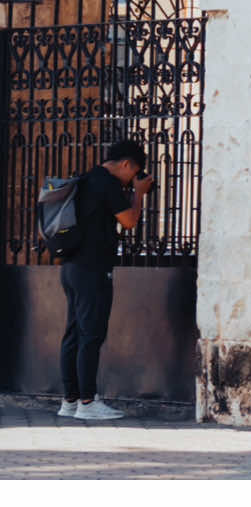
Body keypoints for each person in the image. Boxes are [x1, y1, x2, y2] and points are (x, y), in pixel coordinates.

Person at [58, 138, 153, 420]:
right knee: (91, 334)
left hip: (71, 267)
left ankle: (70, 401)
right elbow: (129, 221)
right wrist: (139, 193)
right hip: (93, 269)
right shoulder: (108, 184)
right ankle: (87, 403)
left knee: (73, 334)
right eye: (132, 173)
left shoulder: (86, 178)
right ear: (126, 164)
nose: (130, 180)